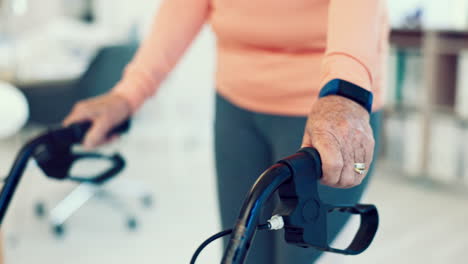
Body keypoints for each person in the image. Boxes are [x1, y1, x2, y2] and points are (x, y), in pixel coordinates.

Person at [64, 0, 388, 263]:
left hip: (324, 110)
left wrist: (345, 92)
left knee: (296, 257)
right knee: (241, 252)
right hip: (237, 104)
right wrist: (127, 94)